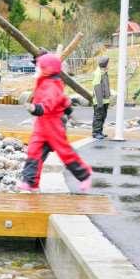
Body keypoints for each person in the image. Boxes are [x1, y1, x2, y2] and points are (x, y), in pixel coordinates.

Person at [18, 53, 93, 193]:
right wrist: (69, 110)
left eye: (39, 67)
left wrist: (36, 108)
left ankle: (85, 175)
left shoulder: (51, 85)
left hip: (54, 126)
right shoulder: (44, 82)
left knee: (65, 152)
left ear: (48, 69)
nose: (36, 69)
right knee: (34, 151)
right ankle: (30, 182)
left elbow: (49, 103)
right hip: (41, 125)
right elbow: (63, 99)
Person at [92, 56, 111, 139]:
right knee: (98, 116)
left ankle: (100, 131)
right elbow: (97, 87)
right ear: (104, 64)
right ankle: (96, 132)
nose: (109, 65)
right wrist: (100, 102)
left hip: (105, 100)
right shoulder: (98, 73)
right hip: (99, 100)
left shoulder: (104, 72)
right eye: (108, 64)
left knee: (103, 116)